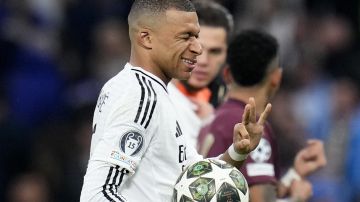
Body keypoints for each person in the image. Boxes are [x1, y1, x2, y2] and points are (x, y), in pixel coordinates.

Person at [80, 1, 271, 201]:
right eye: (185, 37)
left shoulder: (148, 91)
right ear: (146, 38)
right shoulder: (141, 96)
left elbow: (193, 178)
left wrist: (238, 151)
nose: (198, 48)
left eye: (196, 37)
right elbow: (97, 195)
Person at [198, 30, 327, 201]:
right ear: (276, 78)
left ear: (227, 74)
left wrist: (294, 175)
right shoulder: (252, 129)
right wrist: (296, 199)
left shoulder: (214, 118)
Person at [168, 0, 233, 147]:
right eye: (195, 48)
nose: (203, 61)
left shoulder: (230, 108)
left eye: (215, 51)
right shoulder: (150, 98)